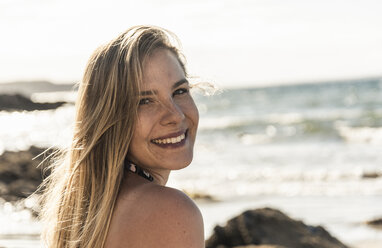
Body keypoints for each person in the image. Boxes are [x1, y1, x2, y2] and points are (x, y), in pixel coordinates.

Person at [40, 25, 204, 248]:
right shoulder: (171, 211)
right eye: (144, 101)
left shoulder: (80, 214)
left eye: (180, 91)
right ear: (109, 118)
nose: (175, 115)